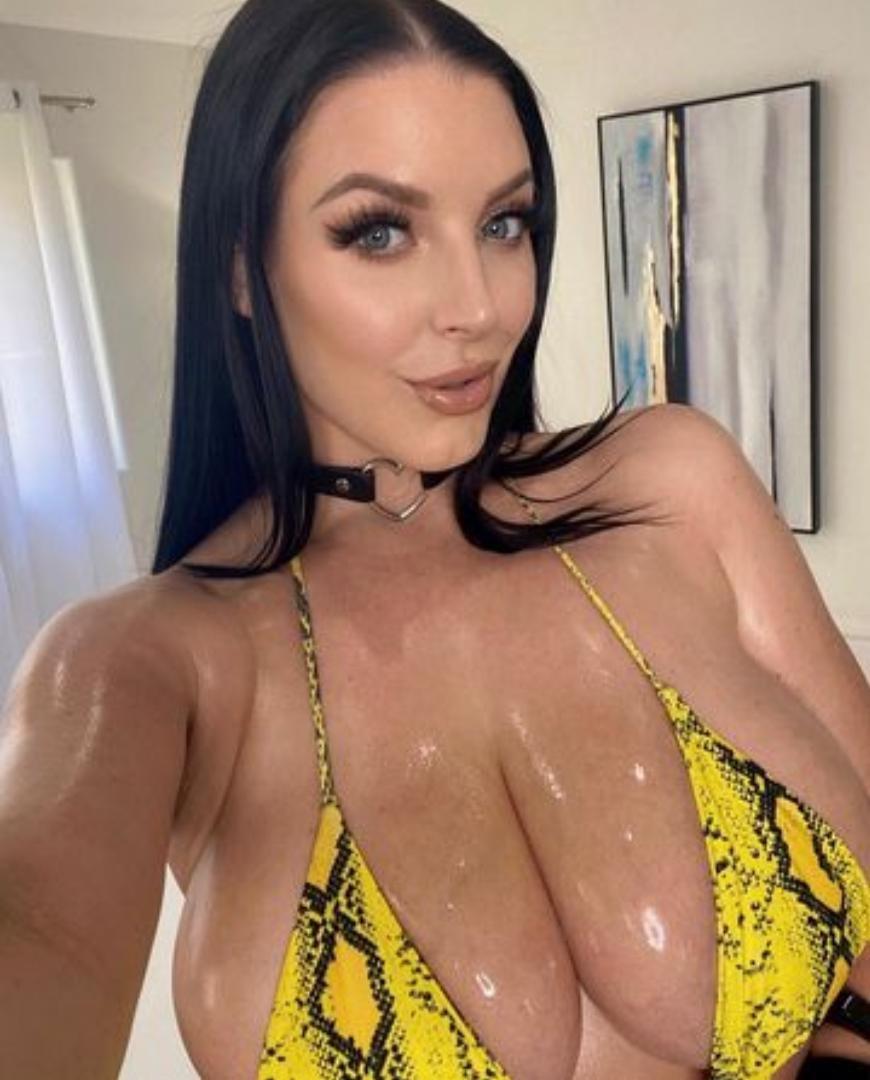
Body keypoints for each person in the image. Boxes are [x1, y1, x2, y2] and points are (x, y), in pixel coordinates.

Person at [1, 0, 868, 1076]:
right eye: (379, 232)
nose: (480, 306)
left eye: (504, 223)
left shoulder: (670, 481)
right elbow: (39, 928)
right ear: (241, 270)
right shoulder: (148, 660)